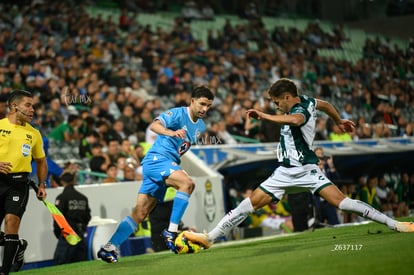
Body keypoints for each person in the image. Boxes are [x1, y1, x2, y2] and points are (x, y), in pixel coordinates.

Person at [188, 78, 414, 247]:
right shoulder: (310, 101)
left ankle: (395, 224)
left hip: (306, 170)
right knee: (247, 205)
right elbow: (325, 104)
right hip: (284, 172)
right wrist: (339, 120)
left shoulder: (300, 109)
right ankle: (209, 238)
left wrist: (265, 116)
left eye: (277, 102)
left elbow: (296, 120)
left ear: (287, 97)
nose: (276, 106)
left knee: (343, 203)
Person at [97, 85, 214, 263]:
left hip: (165, 164)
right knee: (187, 184)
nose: (205, 109)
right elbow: (154, 125)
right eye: (202, 104)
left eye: (208, 106)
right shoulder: (178, 114)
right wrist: (171, 132)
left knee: (141, 212)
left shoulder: (201, 126)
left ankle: (108, 248)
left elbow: (181, 147)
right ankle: (172, 231)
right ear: (192, 101)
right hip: (157, 160)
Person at [0, 90, 47, 275]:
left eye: (33, 106)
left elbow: (41, 161)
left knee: (11, 222)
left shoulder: (34, 133)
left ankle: (4, 272)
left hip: (19, 184)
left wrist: (42, 184)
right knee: (11, 233)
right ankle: (18, 245)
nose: (32, 109)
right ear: (14, 106)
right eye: (28, 105)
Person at [53, 172, 91, 265]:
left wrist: (58, 232)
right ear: (73, 181)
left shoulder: (62, 197)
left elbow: (58, 217)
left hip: (68, 233)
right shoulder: (83, 198)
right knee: (81, 263)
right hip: (80, 232)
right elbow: (87, 216)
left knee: (60, 263)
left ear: (62, 182)